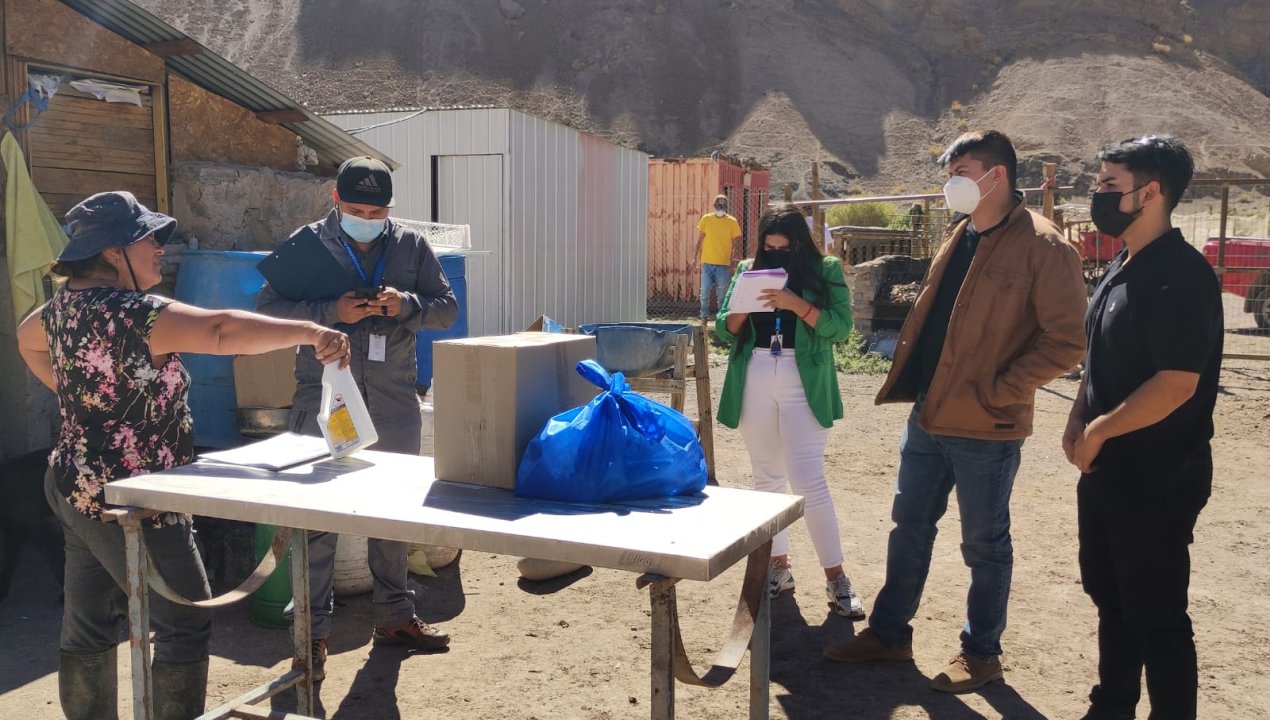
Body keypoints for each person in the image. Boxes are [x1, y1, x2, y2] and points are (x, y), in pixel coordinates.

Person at [16, 191, 351, 720]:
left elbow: (25, 340)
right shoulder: (138, 315)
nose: (160, 249)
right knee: (183, 624)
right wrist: (309, 331)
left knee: (89, 624)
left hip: (74, 483)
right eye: (148, 240)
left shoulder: (59, 310)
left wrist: (78, 396)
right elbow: (220, 330)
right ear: (113, 252)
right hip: (139, 502)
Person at [823, 130, 1088, 693]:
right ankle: (890, 635)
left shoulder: (1045, 247)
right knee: (909, 527)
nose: (951, 184)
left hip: (987, 425)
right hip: (930, 413)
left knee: (984, 545)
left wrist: (1002, 389)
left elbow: (1067, 341)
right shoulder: (960, 232)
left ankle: (982, 652)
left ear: (997, 175)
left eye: (961, 172)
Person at [257, 156, 458, 678]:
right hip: (325, 401)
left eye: (377, 212)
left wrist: (405, 304)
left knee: (392, 515)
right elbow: (267, 313)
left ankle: (395, 617)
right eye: (357, 210)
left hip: (393, 402)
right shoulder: (306, 245)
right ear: (335, 200)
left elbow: (447, 308)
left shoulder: (411, 246)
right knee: (318, 521)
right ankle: (312, 633)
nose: (367, 220)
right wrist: (331, 312)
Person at [1064, 136, 1220, 720]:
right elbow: (1099, 357)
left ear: (1150, 193)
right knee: (1111, 598)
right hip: (1107, 469)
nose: (1098, 195)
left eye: (1110, 185)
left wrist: (1099, 431)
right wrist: (1078, 416)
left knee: (1157, 615)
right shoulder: (1121, 265)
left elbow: (1176, 383)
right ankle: (1112, 706)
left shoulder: (1181, 274)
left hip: (1158, 476)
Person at [715, 203, 865, 619]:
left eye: (786, 248)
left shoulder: (826, 269)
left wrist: (795, 304)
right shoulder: (748, 269)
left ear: (800, 243)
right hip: (756, 373)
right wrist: (745, 307)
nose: (777, 255)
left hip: (804, 378)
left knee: (808, 480)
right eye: (770, 247)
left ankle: (836, 577)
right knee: (766, 478)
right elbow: (724, 329)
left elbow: (841, 328)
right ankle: (779, 567)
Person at [693, 194, 742, 321]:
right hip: (707, 263)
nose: (720, 208)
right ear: (714, 206)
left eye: (722, 206)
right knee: (704, 292)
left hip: (723, 264)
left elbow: (736, 244)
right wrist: (695, 258)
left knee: (722, 295)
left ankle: (720, 320)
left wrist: (733, 260)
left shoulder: (732, 222)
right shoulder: (706, 219)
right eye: (718, 206)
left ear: (726, 207)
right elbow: (700, 240)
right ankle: (703, 317)